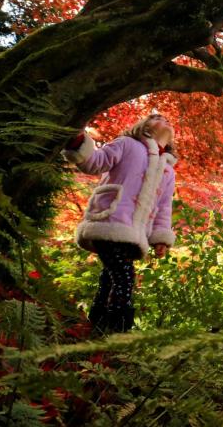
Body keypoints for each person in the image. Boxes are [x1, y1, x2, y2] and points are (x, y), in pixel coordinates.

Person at [63, 113, 177, 333]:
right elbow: (94, 162)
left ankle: (96, 324)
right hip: (109, 221)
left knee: (110, 277)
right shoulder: (127, 144)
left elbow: (164, 207)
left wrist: (160, 238)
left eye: (168, 120)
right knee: (124, 276)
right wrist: (77, 140)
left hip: (135, 234)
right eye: (157, 117)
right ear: (144, 126)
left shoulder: (168, 170)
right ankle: (117, 329)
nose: (166, 120)